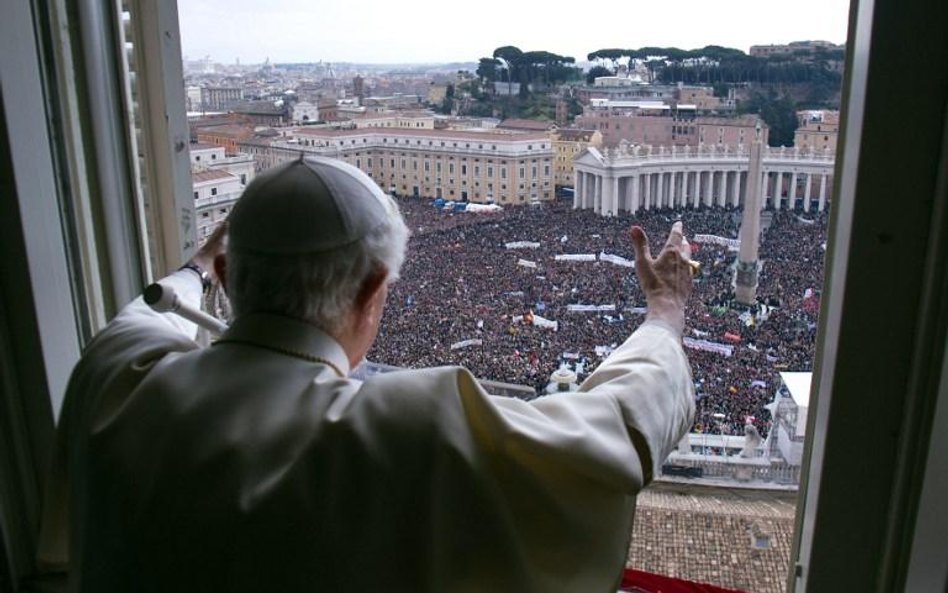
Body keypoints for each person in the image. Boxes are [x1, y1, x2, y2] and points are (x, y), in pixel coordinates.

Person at [38, 156, 696, 592]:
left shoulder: (115, 377)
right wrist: (664, 312)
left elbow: (145, 316)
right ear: (375, 290)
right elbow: (618, 432)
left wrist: (196, 270)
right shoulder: (409, 431)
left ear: (230, 279)